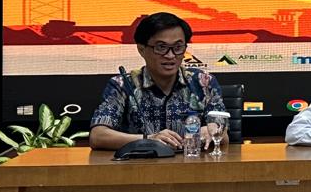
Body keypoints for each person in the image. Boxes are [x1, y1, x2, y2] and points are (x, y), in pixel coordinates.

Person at [90, 12, 227, 151]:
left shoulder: (203, 82)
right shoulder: (123, 85)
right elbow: (97, 136)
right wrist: (148, 140)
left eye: (178, 47)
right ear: (141, 49)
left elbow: (224, 135)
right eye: (161, 47)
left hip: (192, 163)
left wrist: (211, 131)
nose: (170, 55)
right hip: (140, 163)